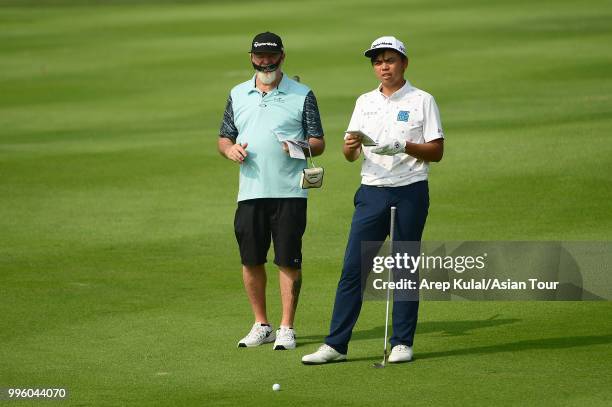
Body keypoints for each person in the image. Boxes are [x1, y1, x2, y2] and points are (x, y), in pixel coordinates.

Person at [302, 36, 443, 364]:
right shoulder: (364, 101)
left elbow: (437, 151)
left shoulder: (423, 100)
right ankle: (336, 345)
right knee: (354, 268)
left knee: (404, 267)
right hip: (372, 191)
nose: (383, 66)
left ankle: (402, 343)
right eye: (378, 61)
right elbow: (350, 153)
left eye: (390, 60)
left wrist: (404, 146)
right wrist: (350, 146)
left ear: (404, 63)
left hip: (410, 190)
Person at [218, 32, 325, 350]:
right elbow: (225, 136)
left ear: (282, 55)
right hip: (250, 191)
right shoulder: (237, 94)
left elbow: (317, 140)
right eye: (259, 56)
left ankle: (286, 327)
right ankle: (261, 324)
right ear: (251, 57)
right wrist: (230, 151)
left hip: (290, 191)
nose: (265, 61)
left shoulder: (302, 94)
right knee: (251, 259)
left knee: (288, 260)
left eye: (271, 55)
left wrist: (298, 145)